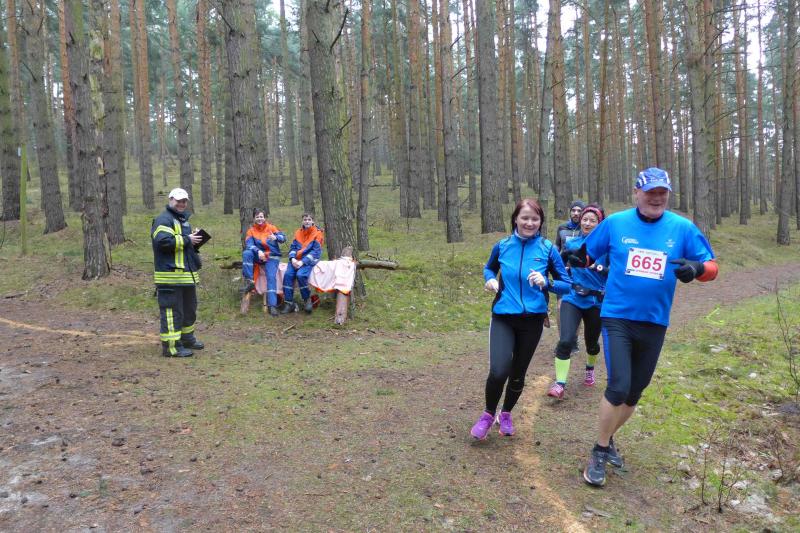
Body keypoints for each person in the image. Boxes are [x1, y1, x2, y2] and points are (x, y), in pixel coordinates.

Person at [566, 168, 718, 487]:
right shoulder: (616, 223)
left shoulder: (682, 228)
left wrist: (696, 268)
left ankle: (608, 437)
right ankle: (599, 451)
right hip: (617, 316)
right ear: (637, 193)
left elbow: (712, 267)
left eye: (662, 192)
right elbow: (587, 253)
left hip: (655, 320)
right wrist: (576, 258)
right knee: (619, 386)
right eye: (650, 192)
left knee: (635, 391)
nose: (657, 198)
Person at [471, 198, 572, 440]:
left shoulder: (548, 249)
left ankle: (505, 413)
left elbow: (566, 285)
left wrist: (546, 282)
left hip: (532, 321)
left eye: (535, 219)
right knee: (499, 370)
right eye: (525, 218)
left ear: (540, 222)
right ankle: (487, 415)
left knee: (518, 373)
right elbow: (489, 268)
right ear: (515, 219)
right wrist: (490, 279)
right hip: (503, 317)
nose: (529, 223)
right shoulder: (503, 246)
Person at [547, 204, 608, 399]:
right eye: (585, 219)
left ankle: (590, 368)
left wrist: (599, 268)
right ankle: (560, 383)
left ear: (600, 224)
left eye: (592, 220)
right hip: (572, 297)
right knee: (565, 340)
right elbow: (558, 266)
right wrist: (561, 270)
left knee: (592, 343)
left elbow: (617, 273)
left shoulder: (607, 248)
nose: (587, 223)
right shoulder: (572, 243)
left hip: (595, 301)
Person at [151, 188, 205, 357]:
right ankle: (171, 347)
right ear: (170, 200)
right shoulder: (163, 220)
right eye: (178, 201)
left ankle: (187, 339)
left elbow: (183, 246)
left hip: (186, 276)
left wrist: (195, 239)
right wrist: (188, 239)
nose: (181, 204)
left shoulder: (183, 221)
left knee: (189, 310)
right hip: (169, 276)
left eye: (184, 201)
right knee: (172, 312)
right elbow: (162, 242)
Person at [241, 208, 286, 316]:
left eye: (261, 216)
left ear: (264, 218)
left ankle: (272, 306)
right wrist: (258, 251)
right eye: (257, 217)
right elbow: (249, 245)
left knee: (271, 277)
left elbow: (283, 238)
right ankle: (250, 282)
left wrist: (276, 237)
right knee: (247, 253)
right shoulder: (251, 231)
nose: (259, 219)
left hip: (272, 256)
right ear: (254, 218)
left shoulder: (271, 227)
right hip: (259, 256)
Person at [280, 214, 324, 314]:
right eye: (305, 219)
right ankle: (289, 303)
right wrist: (292, 259)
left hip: (309, 260)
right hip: (296, 260)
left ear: (313, 221)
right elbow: (293, 248)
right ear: (302, 221)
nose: (307, 221)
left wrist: (302, 262)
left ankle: (307, 300)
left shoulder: (318, 233)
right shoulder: (298, 232)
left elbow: (316, 251)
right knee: (288, 275)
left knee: (300, 275)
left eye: (309, 219)